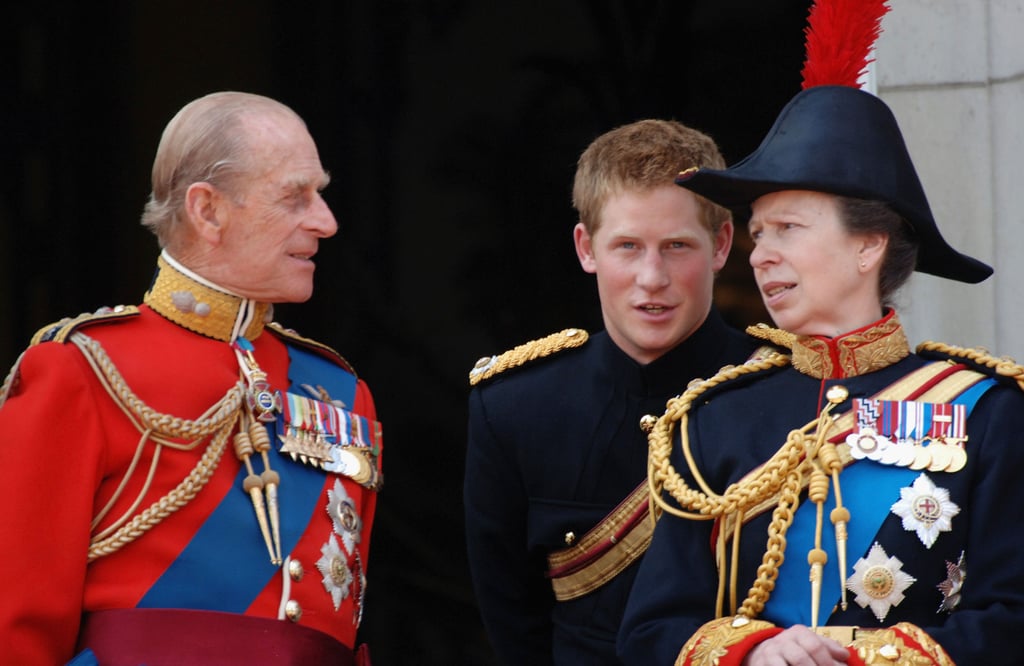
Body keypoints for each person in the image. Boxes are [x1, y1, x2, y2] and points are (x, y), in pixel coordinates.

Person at [617, 58, 1024, 666]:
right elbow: (650, 632)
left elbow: (1012, 620)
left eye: (787, 228)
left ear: (868, 245)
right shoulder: (713, 417)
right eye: (758, 233)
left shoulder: (984, 409)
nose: (761, 256)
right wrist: (751, 655)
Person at [0, 91, 381, 665]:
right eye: (295, 196)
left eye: (320, 195)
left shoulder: (342, 393)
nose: (325, 222)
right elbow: (16, 628)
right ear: (207, 211)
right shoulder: (82, 370)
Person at [464, 118, 762, 665]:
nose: (652, 277)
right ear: (586, 248)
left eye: (676, 246)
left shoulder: (782, 387)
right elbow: (517, 627)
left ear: (721, 245)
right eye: (628, 246)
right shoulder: (514, 407)